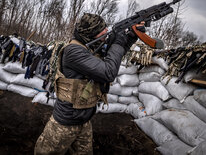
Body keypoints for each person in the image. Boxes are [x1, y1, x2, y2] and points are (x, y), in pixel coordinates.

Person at [34, 13, 145, 155]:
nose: (106, 33)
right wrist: (118, 42)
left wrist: (130, 37)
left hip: (84, 121)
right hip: (64, 124)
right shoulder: (73, 51)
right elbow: (108, 73)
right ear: (91, 33)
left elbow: (114, 56)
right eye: (102, 31)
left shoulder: (91, 48)